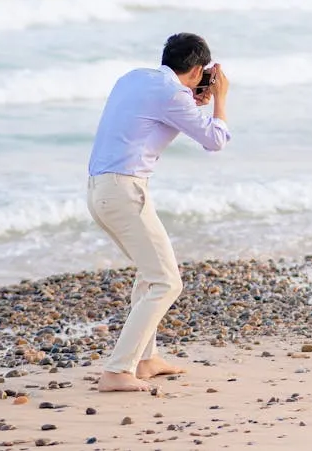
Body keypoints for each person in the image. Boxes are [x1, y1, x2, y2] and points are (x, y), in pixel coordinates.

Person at [85, 32, 231, 392]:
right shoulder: (172, 95)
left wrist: (190, 98)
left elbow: (148, 118)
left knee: (151, 276)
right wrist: (220, 99)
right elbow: (214, 140)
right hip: (125, 191)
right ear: (197, 70)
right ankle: (117, 371)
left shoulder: (134, 78)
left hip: (101, 191)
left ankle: (146, 360)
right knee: (167, 282)